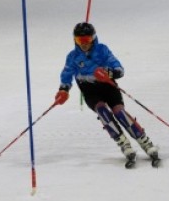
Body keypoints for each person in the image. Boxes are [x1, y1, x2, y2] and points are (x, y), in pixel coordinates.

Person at [53, 22, 159, 165]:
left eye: (87, 40)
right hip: (90, 91)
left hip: (108, 87)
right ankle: (123, 143)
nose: (83, 44)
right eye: (80, 40)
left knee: (119, 112)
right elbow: (66, 75)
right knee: (102, 111)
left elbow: (119, 69)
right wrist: (63, 90)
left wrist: (109, 73)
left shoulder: (102, 50)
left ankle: (144, 141)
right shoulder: (72, 57)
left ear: (93, 38)